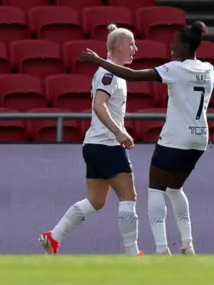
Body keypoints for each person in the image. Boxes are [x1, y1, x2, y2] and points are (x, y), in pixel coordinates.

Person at [79, 21, 214, 256]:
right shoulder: (208, 69)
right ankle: (188, 243)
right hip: (200, 138)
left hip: (175, 138)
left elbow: (132, 75)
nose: (171, 50)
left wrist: (99, 60)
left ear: (184, 46)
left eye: (174, 45)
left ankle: (161, 248)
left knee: (156, 190)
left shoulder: (175, 68)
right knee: (175, 188)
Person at [40, 24, 142, 256]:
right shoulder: (109, 73)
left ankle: (53, 237)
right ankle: (132, 254)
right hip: (107, 144)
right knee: (129, 196)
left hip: (95, 145)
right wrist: (118, 132)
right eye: (131, 44)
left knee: (96, 201)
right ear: (118, 46)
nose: (135, 49)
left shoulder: (113, 72)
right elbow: (99, 105)